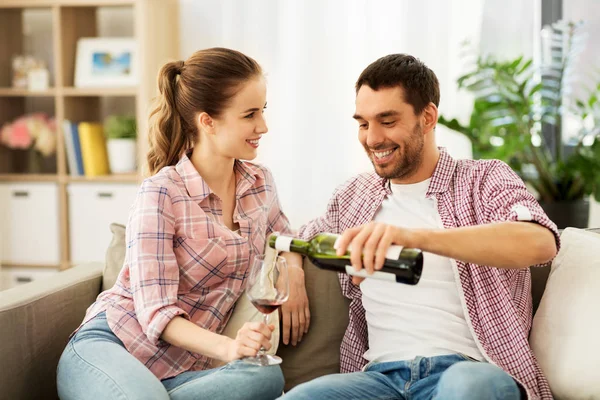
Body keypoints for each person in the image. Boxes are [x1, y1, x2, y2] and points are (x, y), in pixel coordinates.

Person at [281, 54, 559, 400]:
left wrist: (411, 236)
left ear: (427, 117)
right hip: (378, 380)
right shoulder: (353, 197)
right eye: (363, 124)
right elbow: (292, 236)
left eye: (387, 120)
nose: (372, 138)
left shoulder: (483, 179)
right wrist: (292, 273)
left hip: (466, 371)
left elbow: (540, 242)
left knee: (468, 388)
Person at [56, 47, 310, 400]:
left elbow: (286, 238)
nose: (263, 126)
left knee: (266, 378)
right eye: (250, 114)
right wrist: (229, 348)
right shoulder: (161, 193)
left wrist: (294, 275)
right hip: (115, 347)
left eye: (262, 111)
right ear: (207, 121)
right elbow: (156, 312)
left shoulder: (259, 183)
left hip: (183, 372)